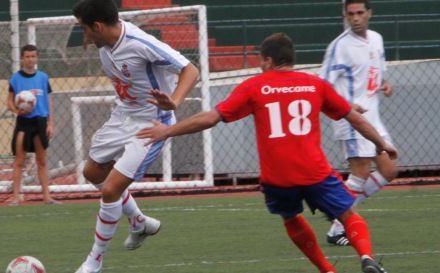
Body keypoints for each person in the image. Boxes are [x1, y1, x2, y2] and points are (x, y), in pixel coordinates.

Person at [138, 33, 394, 273]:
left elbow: (210, 118)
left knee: (291, 218)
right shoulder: (315, 84)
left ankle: (327, 270)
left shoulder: (255, 86)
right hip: (315, 172)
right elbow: (356, 119)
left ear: (268, 60)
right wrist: (382, 144)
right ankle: (366, 257)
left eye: (261, 60)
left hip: (278, 178)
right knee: (347, 214)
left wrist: (168, 131)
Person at [71, 0, 199, 272]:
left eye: (84, 29)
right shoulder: (104, 43)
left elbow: (191, 69)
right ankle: (139, 222)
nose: (84, 35)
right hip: (122, 116)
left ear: (97, 26)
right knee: (93, 173)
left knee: (110, 189)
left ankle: (94, 262)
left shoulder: (140, 42)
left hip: (151, 124)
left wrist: (174, 101)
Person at [320, 0, 398, 246]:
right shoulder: (339, 46)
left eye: (360, 13)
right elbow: (324, 85)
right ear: (345, 15)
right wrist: (346, 105)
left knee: (389, 170)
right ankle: (338, 226)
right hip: (351, 121)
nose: (355, 18)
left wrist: (383, 85)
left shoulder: (376, 39)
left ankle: (338, 217)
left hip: (373, 118)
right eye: (350, 14)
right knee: (361, 172)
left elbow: (374, 74)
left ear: (369, 14)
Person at [7, 44, 59, 206]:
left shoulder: (43, 77)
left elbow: (49, 101)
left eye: (33, 56)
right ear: (22, 58)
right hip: (23, 123)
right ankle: (16, 197)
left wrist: (50, 123)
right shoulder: (15, 78)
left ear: (37, 58)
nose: (30, 59)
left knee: (42, 161)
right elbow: (9, 101)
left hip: (40, 122)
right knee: (19, 160)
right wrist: (16, 109)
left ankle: (47, 196)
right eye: (27, 57)